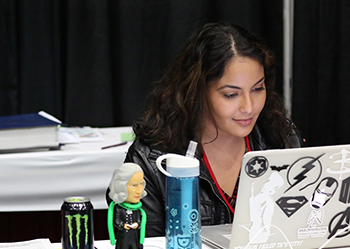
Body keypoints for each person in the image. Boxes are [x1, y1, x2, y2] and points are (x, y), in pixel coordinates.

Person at [125, 22, 302, 237]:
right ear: (197, 91)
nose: (248, 107)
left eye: (257, 89)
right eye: (231, 94)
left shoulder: (280, 138)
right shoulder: (153, 157)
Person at [107, 163, 147, 249]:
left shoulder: (138, 210)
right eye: (133, 185)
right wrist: (123, 225)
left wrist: (137, 224)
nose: (139, 191)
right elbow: (116, 221)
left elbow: (139, 219)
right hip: (124, 236)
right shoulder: (119, 209)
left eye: (141, 184)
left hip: (134, 236)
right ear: (121, 186)